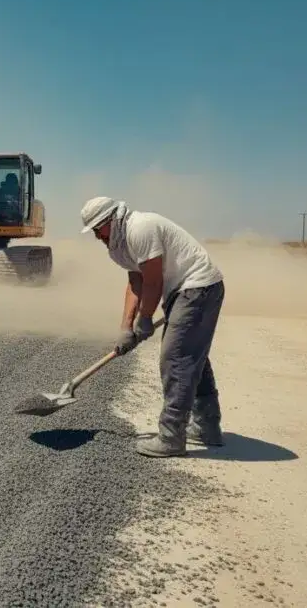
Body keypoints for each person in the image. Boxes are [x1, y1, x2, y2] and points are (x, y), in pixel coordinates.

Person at [80, 196, 226, 458]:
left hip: (199, 287)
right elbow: (136, 282)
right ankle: (207, 426)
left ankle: (171, 437)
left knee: (176, 358)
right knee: (192, 356)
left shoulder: (140, 228)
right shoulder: (117, 246)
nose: (96, 236)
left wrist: (145, 318)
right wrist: (126, 327)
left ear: (111, 220)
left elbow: (153, 281)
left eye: (97, 229)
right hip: (183, 291)